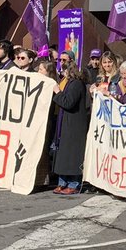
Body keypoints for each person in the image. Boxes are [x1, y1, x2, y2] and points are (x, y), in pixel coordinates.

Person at [50, 59, 91, 195]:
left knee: (72, 155)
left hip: (74, 124)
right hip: (67, 123)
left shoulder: (76, 84)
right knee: (64, 154)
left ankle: (73, 183)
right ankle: (62, 182)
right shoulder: (71, 83)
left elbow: (68, 102)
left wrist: (57, 91)